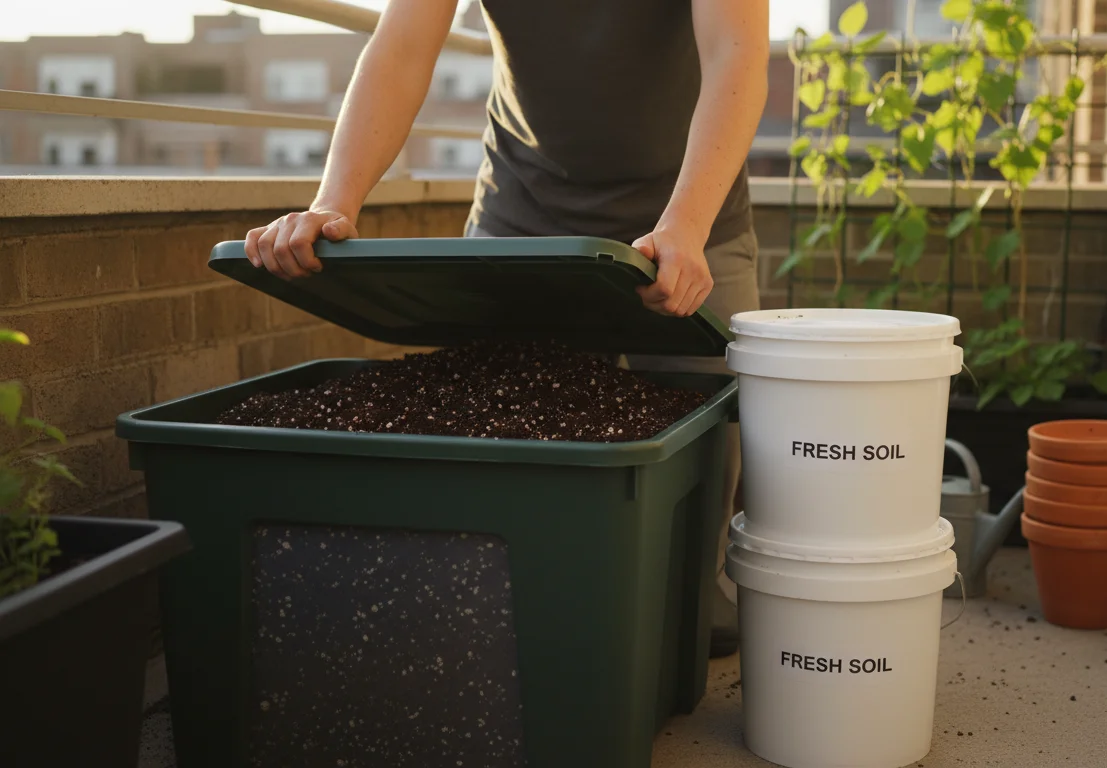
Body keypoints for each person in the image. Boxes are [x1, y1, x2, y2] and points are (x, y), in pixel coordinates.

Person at [243, 0, 768, 657]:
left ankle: (680, 627)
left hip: (691, 218)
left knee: (708, 493)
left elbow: (736, 54)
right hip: (526, 211)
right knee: (503, 446)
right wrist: (333, 202)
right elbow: (404, 45)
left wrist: (686, 225)